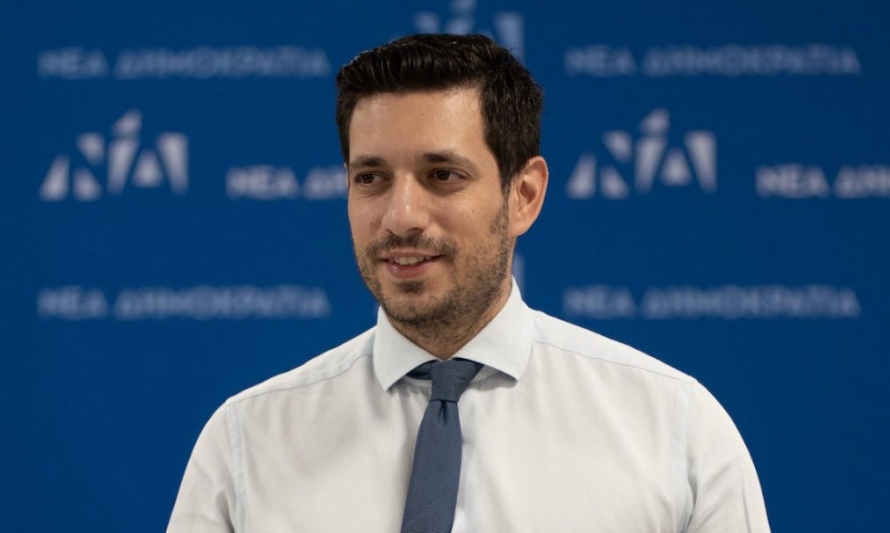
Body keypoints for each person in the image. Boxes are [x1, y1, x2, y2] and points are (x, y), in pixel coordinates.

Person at [168, 34, 769, 532]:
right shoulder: (246, 442)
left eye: (442, 175)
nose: (400, 216)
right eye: (371, 178)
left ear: (524, 195)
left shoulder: (675, 430)